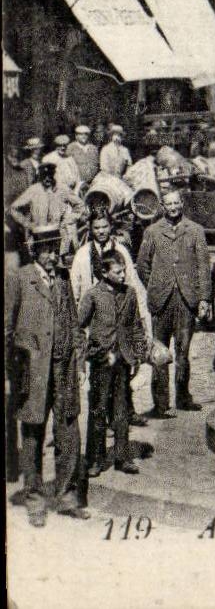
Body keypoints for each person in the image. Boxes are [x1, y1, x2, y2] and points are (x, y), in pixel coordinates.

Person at [6, 225, 90, 526]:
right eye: (48, 250)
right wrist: (12, 369)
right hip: (33, 370)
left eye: (56, 249)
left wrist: (79, 360)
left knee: (68, 431)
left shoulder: (63, 279)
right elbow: (7, 326)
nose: (53, 256)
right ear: (35, 250)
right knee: (32, 434)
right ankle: (34, 499)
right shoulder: (20, 278)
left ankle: (67, 496)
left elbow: (74, 322)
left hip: (63, 367)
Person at [136, 186, 212, 416]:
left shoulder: (196, 230)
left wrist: (204, 298)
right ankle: (160, 403)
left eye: (176, 203)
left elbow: (203, 267)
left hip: (186, 299)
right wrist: (156, 285)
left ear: (182, 204)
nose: (173, 207)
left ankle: (183, 397)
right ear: (162, 207)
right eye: (168, 204)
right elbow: (142, 265)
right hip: (161, 300)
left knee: (183, 352)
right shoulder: (152, 232)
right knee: (159, 352)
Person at [78, 250, 148, 477]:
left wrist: (137, 356)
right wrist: (87, 352)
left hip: (123, 361)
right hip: (101, 360)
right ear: (104, 273)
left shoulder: (130, 293)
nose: (123, 274)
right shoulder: (93, 295)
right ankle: (95, 460)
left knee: (121, 411)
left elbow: (136, 326)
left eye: (124, 270)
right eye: (118, 272)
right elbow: (79, 327)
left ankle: (121, 458)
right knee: (98, 411)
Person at [9, 155, 86, 252]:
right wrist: (27, 223)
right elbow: (14, 208)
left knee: (60, 260)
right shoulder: (34, 189)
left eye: (50, 176)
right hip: (39, 235)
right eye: (44, 177)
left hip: (60, 235)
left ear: (54, 175)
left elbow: (80, 205)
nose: (47, 179)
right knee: (42, 260)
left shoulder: (62, 188)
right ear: (40, 177)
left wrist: (69, 219)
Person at [66, 125, 100, 190]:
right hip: (76, 185)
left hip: (92, 184)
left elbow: (97, 166)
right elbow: (67, 167)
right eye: (81, 134)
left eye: (86, 134)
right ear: (76, 136)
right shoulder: (71, 148)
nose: (84, 136)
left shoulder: (93, 148)